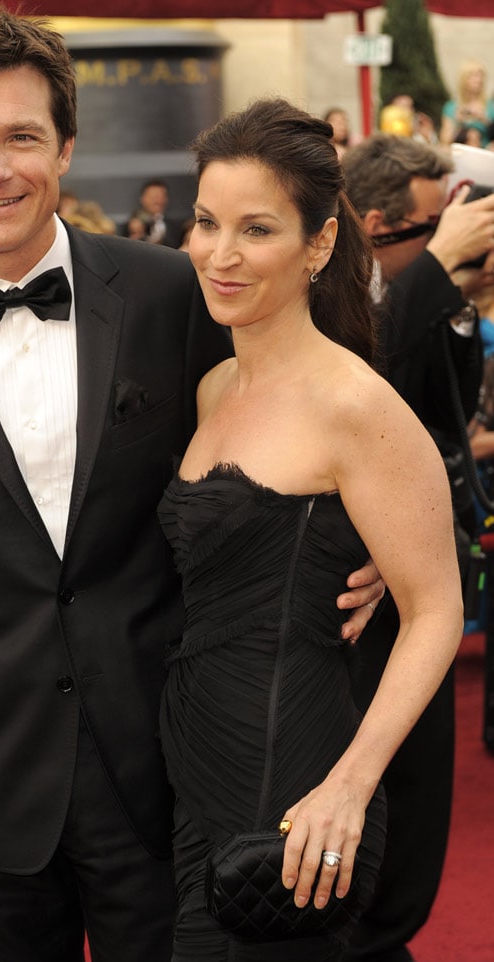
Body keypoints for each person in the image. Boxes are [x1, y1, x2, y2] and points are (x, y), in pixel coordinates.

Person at [0, 11, 383, 962]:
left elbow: (300, 400)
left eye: (22, 137)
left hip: (168, 756)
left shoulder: (173, 291)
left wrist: (361, 535)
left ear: (68, 147)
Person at [157, 97, 463, 962]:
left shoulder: (356, 403)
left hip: (294, 765)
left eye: (257, 229)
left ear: (319, 244)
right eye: (206, 223)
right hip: (195, 752)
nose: (220, 254)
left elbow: (437, 608)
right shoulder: (215, 388)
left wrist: (349, 784)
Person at [343, 133, 494, 962]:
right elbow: (364, 388)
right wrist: (438, 272)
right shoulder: (341, 302)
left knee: (423, 799)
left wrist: (460, 295)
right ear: (376, 226)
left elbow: (445, 412)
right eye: (434, 228)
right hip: (361, 596)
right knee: (384, 800)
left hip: (429, 579)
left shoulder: (426, 294)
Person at [440, 59, 494, 148]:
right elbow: (444, 141)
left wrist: (484, 120)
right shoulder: (451, 107)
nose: (479, 80)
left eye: (481, 76)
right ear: (464, 79)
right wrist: (457, 121)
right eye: (474, 76)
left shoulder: (491, 106)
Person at [131, 178, 184, 248]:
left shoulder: (177, 227)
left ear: (166, 199)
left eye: (161, 196)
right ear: (142, 199)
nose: (157, 200)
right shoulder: (131, 224)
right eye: (153, 197)